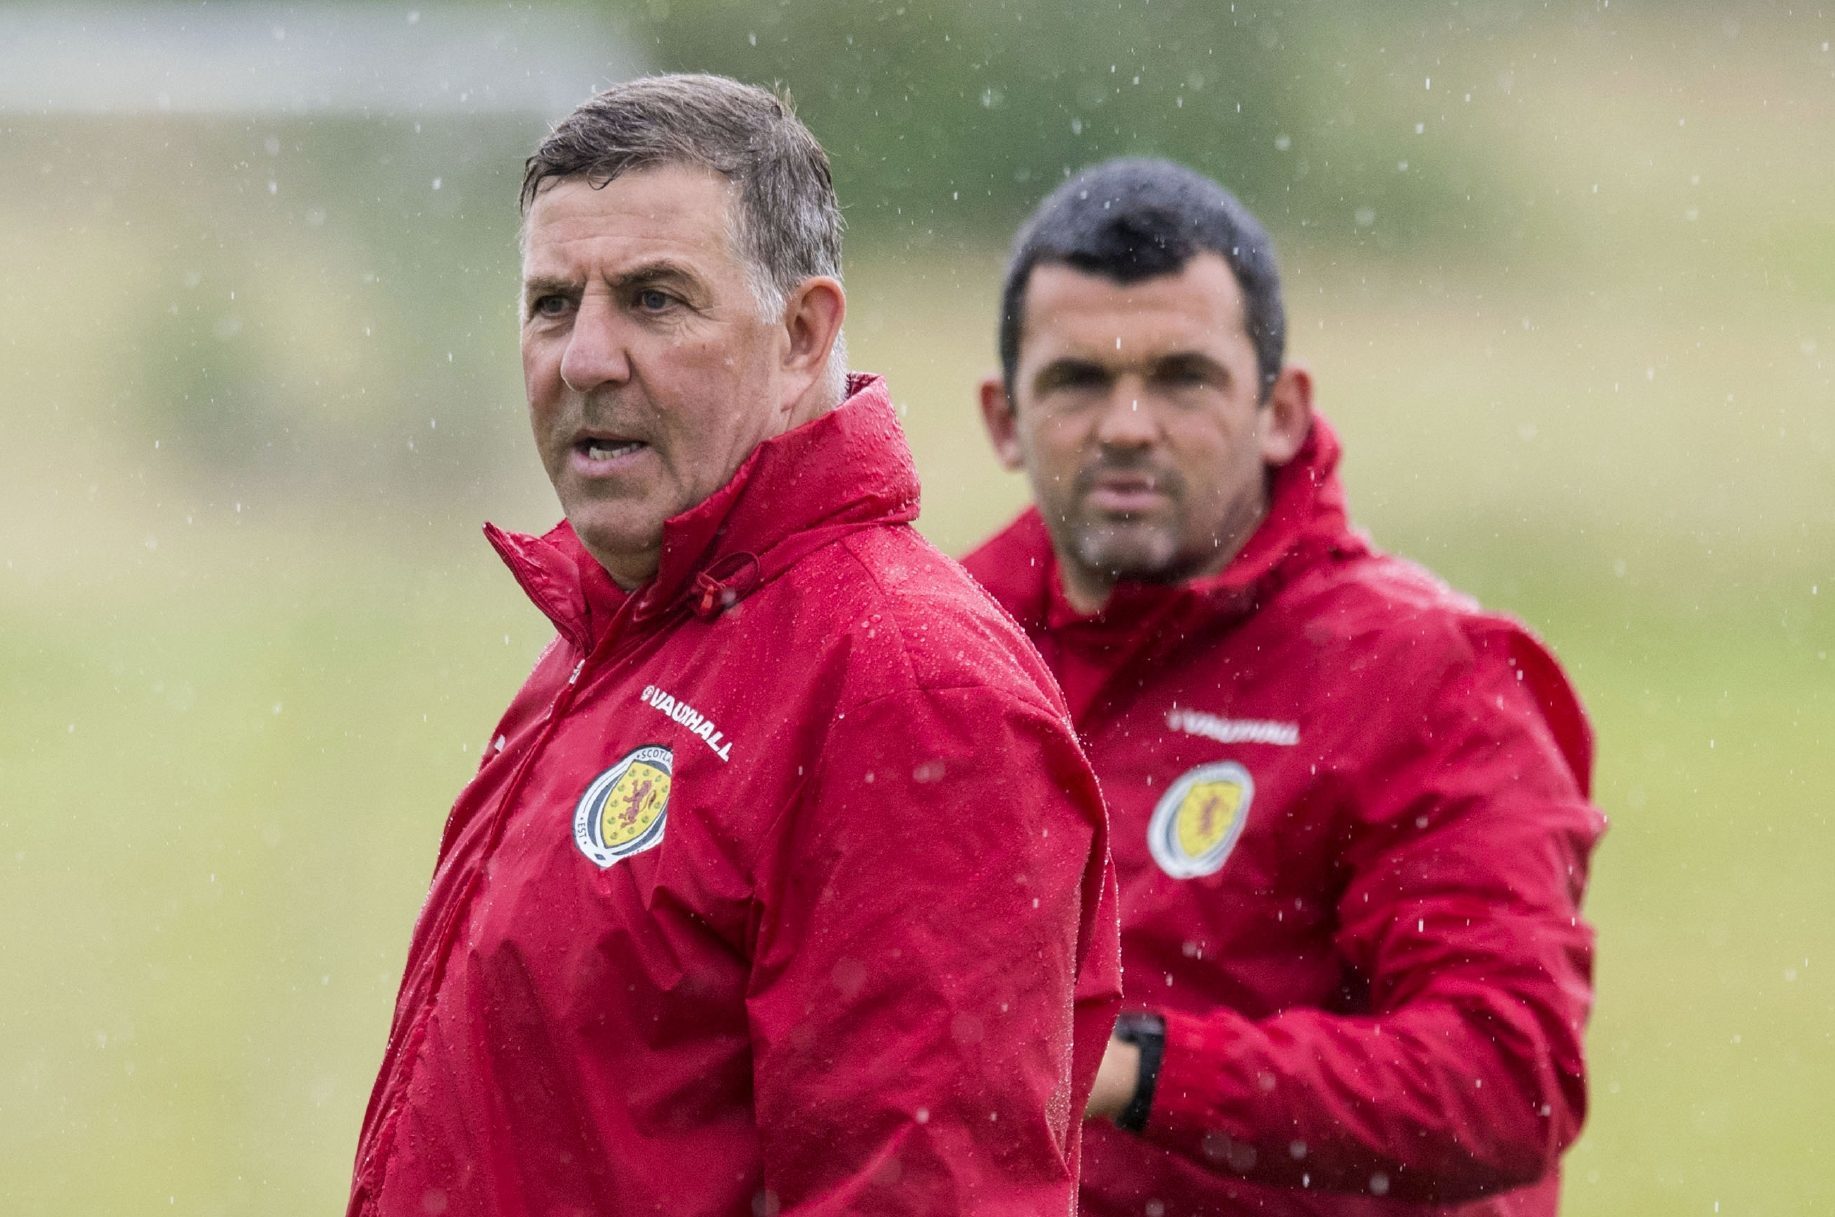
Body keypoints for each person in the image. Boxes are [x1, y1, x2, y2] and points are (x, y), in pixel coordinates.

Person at [347, 75, 1121, 1217]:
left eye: (655, 300)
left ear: (803, 335)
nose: (586, 359)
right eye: (553, 303)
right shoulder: (616, 628)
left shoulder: (904, 685)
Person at [964, 158, 1605, 1217]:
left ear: (1279, 407)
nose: (1126, 424)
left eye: (1181, 378)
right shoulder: (938, 648)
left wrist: (1137, 1068)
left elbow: (1501, 1080)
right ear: (1000, 416)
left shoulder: (1430, 675)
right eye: (1076, 380)